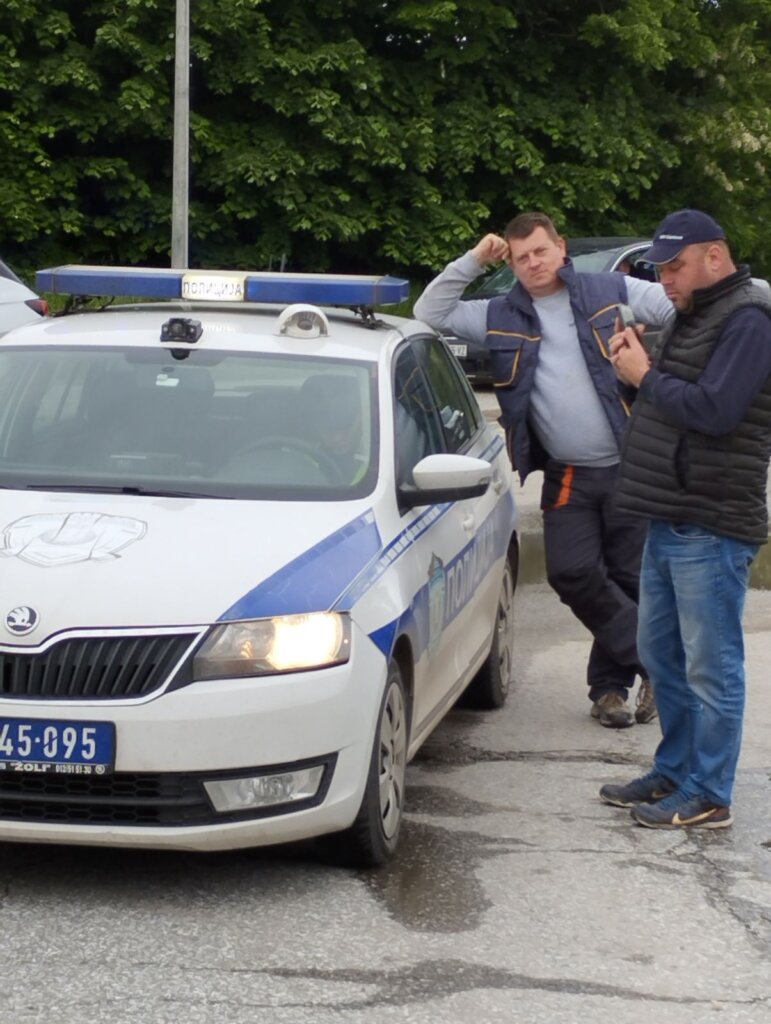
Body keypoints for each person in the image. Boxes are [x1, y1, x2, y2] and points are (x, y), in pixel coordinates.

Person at [414, 212, 673, 727]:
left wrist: (655, 347)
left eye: (540, 251)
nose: (532, 263)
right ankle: (661, 664)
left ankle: (610, 690)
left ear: (561, 247)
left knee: (628, 579)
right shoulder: (500, 312)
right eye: (520, 256)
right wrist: (473, 261)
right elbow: (430, 311)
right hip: (568, 474)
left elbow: (683, 306)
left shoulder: (612, 289)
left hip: (633, 465)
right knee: (573, 572)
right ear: (509, 260)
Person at [600, 208, 771, 828]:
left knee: (711, 663)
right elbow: (666, 407)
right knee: (660, 652)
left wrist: (645, 377)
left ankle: (711, 792)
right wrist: (632, 374)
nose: (665, 279)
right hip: (668, 513)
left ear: (715, 258)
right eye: (660, 268)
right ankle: (674, 770)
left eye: (676, 266)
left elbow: (717, 410)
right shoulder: (691, 317)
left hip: (712, 518)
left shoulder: (748, 319)